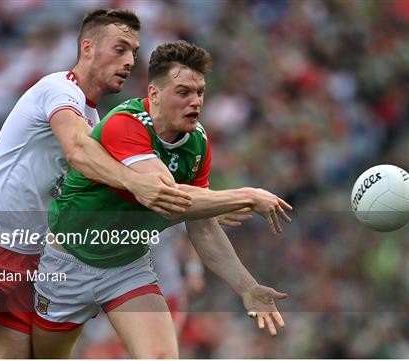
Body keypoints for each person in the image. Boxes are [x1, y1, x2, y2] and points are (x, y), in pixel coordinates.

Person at [0, 9, 193, 359]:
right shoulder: (57, 88)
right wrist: (136, 181)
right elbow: (78, 151)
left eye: (134, 51)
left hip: (31, 262)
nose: (130, 60)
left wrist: (204, 202)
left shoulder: (96, 119)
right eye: (120, 48)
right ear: (88, 47)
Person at [32, 40, 292, 358]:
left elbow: (204, 229)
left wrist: (247, 288)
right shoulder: (124, 124)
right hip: (67, 261)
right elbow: (165, 196)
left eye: (200, 92)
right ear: (154, 94)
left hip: (126, 266)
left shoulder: (197, 143)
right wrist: (247, 196)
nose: (195, 102)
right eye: (183, 92)